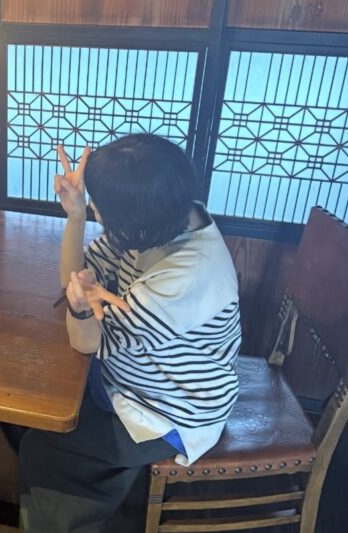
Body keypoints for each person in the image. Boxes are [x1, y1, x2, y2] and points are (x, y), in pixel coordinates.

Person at [18, 134, 241, 532]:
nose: (96, 210)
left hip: (171, 409)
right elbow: (76, 278)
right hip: (133, 378)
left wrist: (79, 306)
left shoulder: (185, 276)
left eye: (99, 207)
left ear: (134, 220)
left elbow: (86, 341)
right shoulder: (164, 219)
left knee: (44, 445)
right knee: (32, 401)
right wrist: (75, 217)